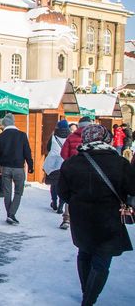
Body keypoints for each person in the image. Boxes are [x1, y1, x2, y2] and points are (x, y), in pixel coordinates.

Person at [58, 124, 135, 306]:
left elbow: (63, 192)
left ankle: (87, 292)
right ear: (106, 139)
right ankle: (89, 299)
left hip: (81, 218)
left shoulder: (71, 164)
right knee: (102, 260)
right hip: (109, 219)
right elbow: (132, 188)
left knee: (84, 253)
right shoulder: (120, 163)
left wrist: (78, 202)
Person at [0, 113, 33, 225]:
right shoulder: (22, 135)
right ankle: (11, 214)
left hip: (5, 168)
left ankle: (9, 214)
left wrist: (2, 164)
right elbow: (27, 152)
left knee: (7, 192)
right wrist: (30, 165)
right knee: (18, 192)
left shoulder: (0, 136)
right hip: (18, 168)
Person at [58, 116, 93, 229]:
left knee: (71, 194)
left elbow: (63, 153)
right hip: (90, 170)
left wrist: (70, 162)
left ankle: (67, 219)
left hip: (73, 170)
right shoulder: (93, 138)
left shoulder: (71, 137)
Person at [44, 119, 70, 214]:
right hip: (65, 163)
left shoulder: (53, 136)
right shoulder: (70, 137)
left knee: (54, 184)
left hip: (54, 163)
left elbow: (48, 148)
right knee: (63, 185)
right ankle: (61, 205)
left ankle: (54, 201)